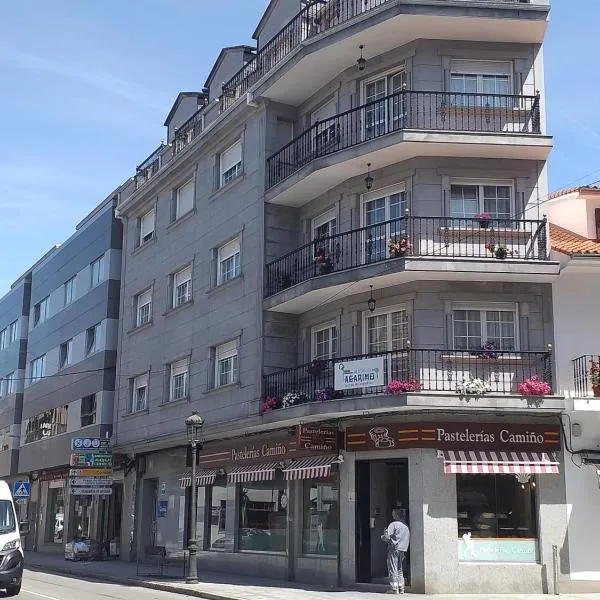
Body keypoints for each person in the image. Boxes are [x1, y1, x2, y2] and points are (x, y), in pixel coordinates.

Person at [381, 509, 410, 594]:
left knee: (393, 567)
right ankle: (401, 587)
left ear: (396, 515)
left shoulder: (393, 524)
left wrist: (383, 537)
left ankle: (394, 588)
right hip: (403, 549)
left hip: (394, 548)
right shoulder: (405, 526)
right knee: (400, 568)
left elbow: (387, 536)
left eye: (393, 514)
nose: (392, 515)